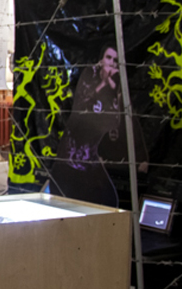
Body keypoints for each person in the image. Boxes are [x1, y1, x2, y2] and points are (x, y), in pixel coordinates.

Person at [49, 44, 128, 208]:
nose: (111, 63)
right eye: (108, 58)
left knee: (109, 200)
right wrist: (103, 84)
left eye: (115, 60)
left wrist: (112, 87)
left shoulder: (116, 84)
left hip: (90, 159)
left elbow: (115, 122)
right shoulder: (89, 74)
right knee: (68, 202)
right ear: (101, 59)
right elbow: (81, 107)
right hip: (69, 158)